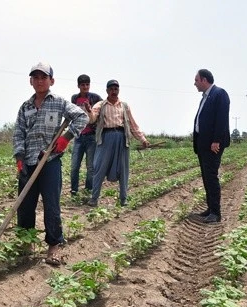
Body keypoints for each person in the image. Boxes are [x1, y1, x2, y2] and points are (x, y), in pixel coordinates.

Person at [13, 62, 89, 266]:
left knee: (51, 205)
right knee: (25, 206)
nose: (39, 81)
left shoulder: (59, 103)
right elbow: (19, 133)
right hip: (29, 162)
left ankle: (54, 246)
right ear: (31, 81)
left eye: (43, 77)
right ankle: (25, 244)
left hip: (50, 161)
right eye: (35, 77)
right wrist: (19, 158)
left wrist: (66, 138)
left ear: (51, 81)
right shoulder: (26, 107)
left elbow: (82, 117)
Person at [87, 79, 149, 207]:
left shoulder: (124, 106)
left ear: (118, 90)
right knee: (99, 168)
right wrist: (88, 111)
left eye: (116, 89)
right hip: (105, 138)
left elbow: (132, 125)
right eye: (111, 89)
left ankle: (123, 199)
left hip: (122, 138)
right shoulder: (101, 105)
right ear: (107, 91)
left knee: (124, 169)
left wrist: (142, 139)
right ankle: (94, 198)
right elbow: (92, 119)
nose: (113, 91)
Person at [191, 69, 230, 223]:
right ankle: (210, 208)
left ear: (204, 80)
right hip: (203, 144)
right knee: (207, 177)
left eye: (196, 80)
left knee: (211, 177)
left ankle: (216, 212)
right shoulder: (205, 97)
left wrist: (216, 141)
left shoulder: (219, 94)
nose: (194, 83)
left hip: (212, 145)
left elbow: (222, 119)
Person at [69, 74, 103, 196]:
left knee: (90, 167)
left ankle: (88, 190)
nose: (85, 87)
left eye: (87, 84)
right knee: (74, 166)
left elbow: (102, 110)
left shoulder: (95, 98)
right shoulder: (74, 99)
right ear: (78, 86)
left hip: (91, 137)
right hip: (78, 137)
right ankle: (74, 191)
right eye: (82, 85)